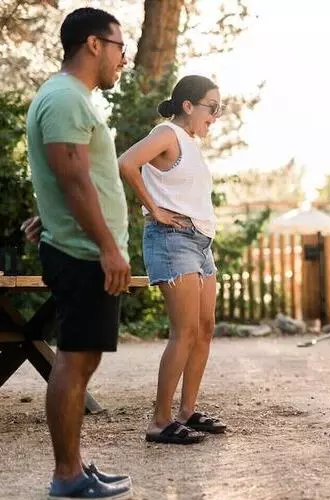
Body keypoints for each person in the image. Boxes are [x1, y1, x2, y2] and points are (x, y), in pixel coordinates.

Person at [25, 7, 132, 500]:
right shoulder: (67, 97)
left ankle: (73, 467)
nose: (123, 59)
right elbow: (72, 177)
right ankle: (66, 477)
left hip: (83, 247)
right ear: (94, 44)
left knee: (82, 360)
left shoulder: (70, 98)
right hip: (85, 253)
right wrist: (108, 247)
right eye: (119, 47)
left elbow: (61, 177)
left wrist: (46, 217)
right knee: (73, 360)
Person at [118, 75, 225, 444]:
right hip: (171, 239)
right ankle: (160, 421)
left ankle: (187, 411)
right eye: (213, 107)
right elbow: (126, 164)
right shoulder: (166, 134)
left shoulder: (192, 144)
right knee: (185, 331)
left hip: (199, 242)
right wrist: (156, 211)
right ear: (189, 105)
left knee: (205, 328)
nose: (216, 115)